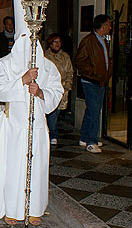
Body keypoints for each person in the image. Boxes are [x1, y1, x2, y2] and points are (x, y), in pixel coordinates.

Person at [0, 0, 63, 226]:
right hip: (13, 123)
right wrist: (21, 80)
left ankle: (33, 207)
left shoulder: (47, 65)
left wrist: (39, 90)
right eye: (23, 41)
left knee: (37, 166)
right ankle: (12, 209)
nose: (29, 47)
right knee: (13, 166)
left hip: (37, 123)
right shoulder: (5, 63)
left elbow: (57, 90)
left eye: (32, 41)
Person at [74, 14, 113, 153]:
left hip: (100, 81)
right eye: (108, 24)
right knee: (95, 111)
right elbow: (79, 60)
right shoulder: (88, 40)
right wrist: (93, 72)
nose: (110, 27)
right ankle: (91, 142)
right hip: (90, 81)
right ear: (102, 26)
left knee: (91, 110)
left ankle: (84, 137)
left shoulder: (103, 40)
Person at [44, 33, 74, 146]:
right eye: (55, 42)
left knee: (56, 113)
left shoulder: (65, 56)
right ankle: (53, 134)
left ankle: (52, 132)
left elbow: (70, 72)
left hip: (62, 89)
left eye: (59, 42)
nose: (57, 44)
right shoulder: (45, 56)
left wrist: (67, 86)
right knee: (52, 113)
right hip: (49, 89)